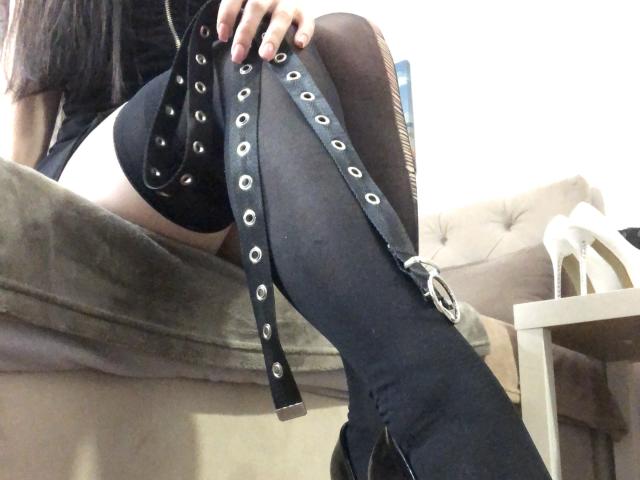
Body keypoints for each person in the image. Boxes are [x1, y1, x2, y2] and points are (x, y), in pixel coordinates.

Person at [0, 1, 553, 478]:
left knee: (345, 36)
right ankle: (432, 405)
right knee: (233, 58)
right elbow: (27, 111)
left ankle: (377, 429)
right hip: (109, 162)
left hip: (225, 157)